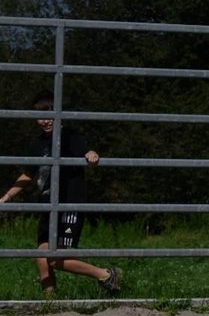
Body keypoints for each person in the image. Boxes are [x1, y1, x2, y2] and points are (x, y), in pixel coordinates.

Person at [0, 91, 123, 297]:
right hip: (48, 205)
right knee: (41, 255)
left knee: (56, 259)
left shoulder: (70, 136)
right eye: (40, 116)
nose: (45, 120)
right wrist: (6, 196)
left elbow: (86, 152)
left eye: (49, 113)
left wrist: (91, 154)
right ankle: (50, 301)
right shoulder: (37, 145)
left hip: (69, 204)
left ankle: (107, 275)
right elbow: (29, 174)